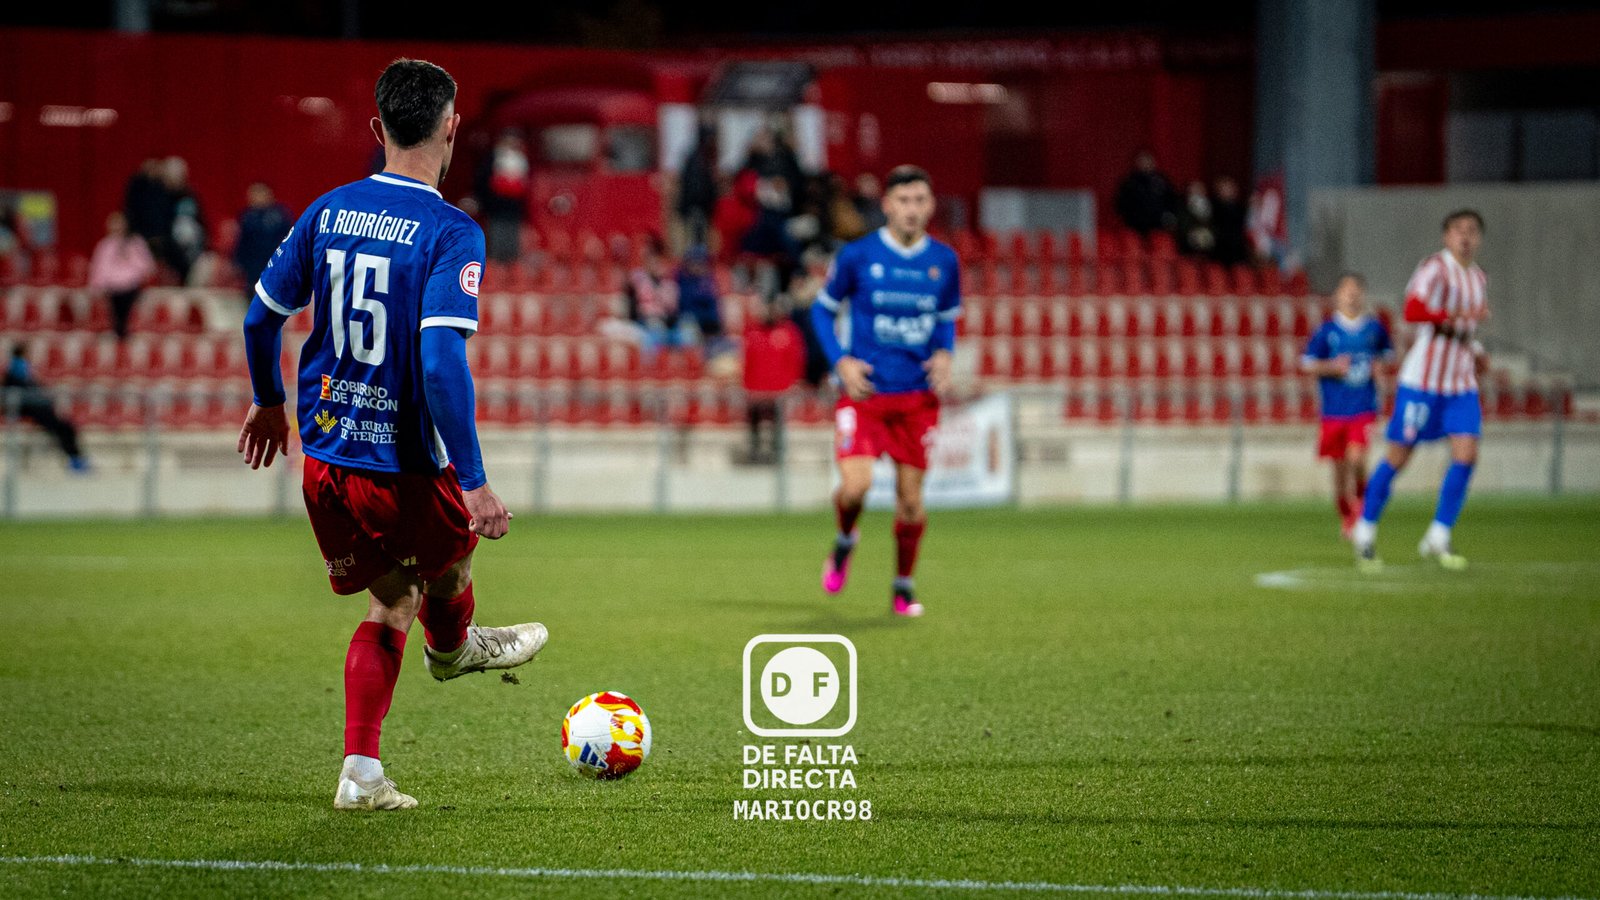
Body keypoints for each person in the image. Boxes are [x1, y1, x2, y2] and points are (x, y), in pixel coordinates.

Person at [237, 59, 547, 812]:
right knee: (450, 573)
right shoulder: (451, 231)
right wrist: (472, 480)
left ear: (378, 129)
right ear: (451, 126)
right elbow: (441, 359)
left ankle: (361, 775)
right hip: (402, 463)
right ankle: (456, 649)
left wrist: (268, 402)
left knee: (390, 600)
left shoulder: (328, 209)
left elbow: (259, 317)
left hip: (325, 457)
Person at [811, 165, 960, 618]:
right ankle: (844, 539)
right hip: (866, 395)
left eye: (920, 200)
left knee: (911, 502)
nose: (912, 210)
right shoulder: (858, 256)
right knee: (855, 487)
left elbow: (946, 319)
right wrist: (840, 360)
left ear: (930, 206)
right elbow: (821, 313)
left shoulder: (944, 261)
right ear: (887, 206)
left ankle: (902, 585)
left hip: (916, 400)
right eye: (903, 201)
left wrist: (946, 354)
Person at [1352, 210, 1489, 571]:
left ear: (1479, 239)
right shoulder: (1435, 268)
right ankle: (1365, 528)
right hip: (1423, 383)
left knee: (1467, 453)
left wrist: (1476, 352)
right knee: (1399, 456)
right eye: (1459, 230)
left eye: (1472, 231)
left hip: (1459, 384)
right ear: (1446, 236)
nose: (1466, 237)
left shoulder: (1476, 278)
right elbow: (1412, 309)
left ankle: (1439, 534)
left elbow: (1466, 333)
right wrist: (1453, 317)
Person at [1300, 274, 1393, 540]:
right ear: (1337, 296)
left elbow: (1387, 354)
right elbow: (1307, 362)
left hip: (1363, 407)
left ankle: (1361, 512)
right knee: (1339, 472)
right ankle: (1346, 514)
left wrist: (1379, 366)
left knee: (1357, 458)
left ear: (1362, 295)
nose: (1351, 295)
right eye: (1346, 290)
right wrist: (1331, 367)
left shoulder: (1374, 328)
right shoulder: (1327, 331)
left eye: (1356, 290)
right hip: (1333, 411)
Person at [4, 344, 89, 473]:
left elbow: (35, 388)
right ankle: (75, 459)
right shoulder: (17, 368)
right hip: (30, 409)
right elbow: (24, 390)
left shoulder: (21, 368)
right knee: (62, 428)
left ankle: (75, 458)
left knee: (64, 427)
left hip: (37, 407)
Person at [742, 297, 804, 464]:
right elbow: (747, 362)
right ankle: (754, 452)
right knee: (754, 419)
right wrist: (747, 386)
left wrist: (793, 384)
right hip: (757, 389)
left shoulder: (789, 332)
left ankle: (777, 453)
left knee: (777, 421)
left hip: (780, 390)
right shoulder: (753, 332)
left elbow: (795, 361)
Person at [87, 211, 157, 341]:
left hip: (131, 287)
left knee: (129, 304)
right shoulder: (104, 245)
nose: (116, 227)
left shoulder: (135, 243)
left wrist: (129, 257)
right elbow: (99, 269)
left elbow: (148, 267)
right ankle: (117, 332)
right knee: (113, 308)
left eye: (119, 223)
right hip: (112, 289)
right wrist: (96, 287)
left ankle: (127, 330)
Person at [474, 130, 528, 264]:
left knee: (511, 236)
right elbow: (482, 180)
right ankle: (497, 260)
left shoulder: (520, 159)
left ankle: (511, 260)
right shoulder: (493, 158)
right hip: (496, 206)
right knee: (497, 234)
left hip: (513, 208)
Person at [233, 183, 292, 301]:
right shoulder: (246, 218)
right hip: (253, 269)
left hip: (276, 266)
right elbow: (242, 244)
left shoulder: (280, 217)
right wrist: (239, 265)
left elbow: (289, 241)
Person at [1114, 150, 1175, 237]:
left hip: (1159, 227)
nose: (1145, 163)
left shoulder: (1162, 181)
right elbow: (1120, 204)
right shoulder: (1129, 182)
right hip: (1135, 228)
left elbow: (1171, 200)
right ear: (1136, 163)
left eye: (1148, 160)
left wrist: (1168, 217)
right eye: (1142, 161)